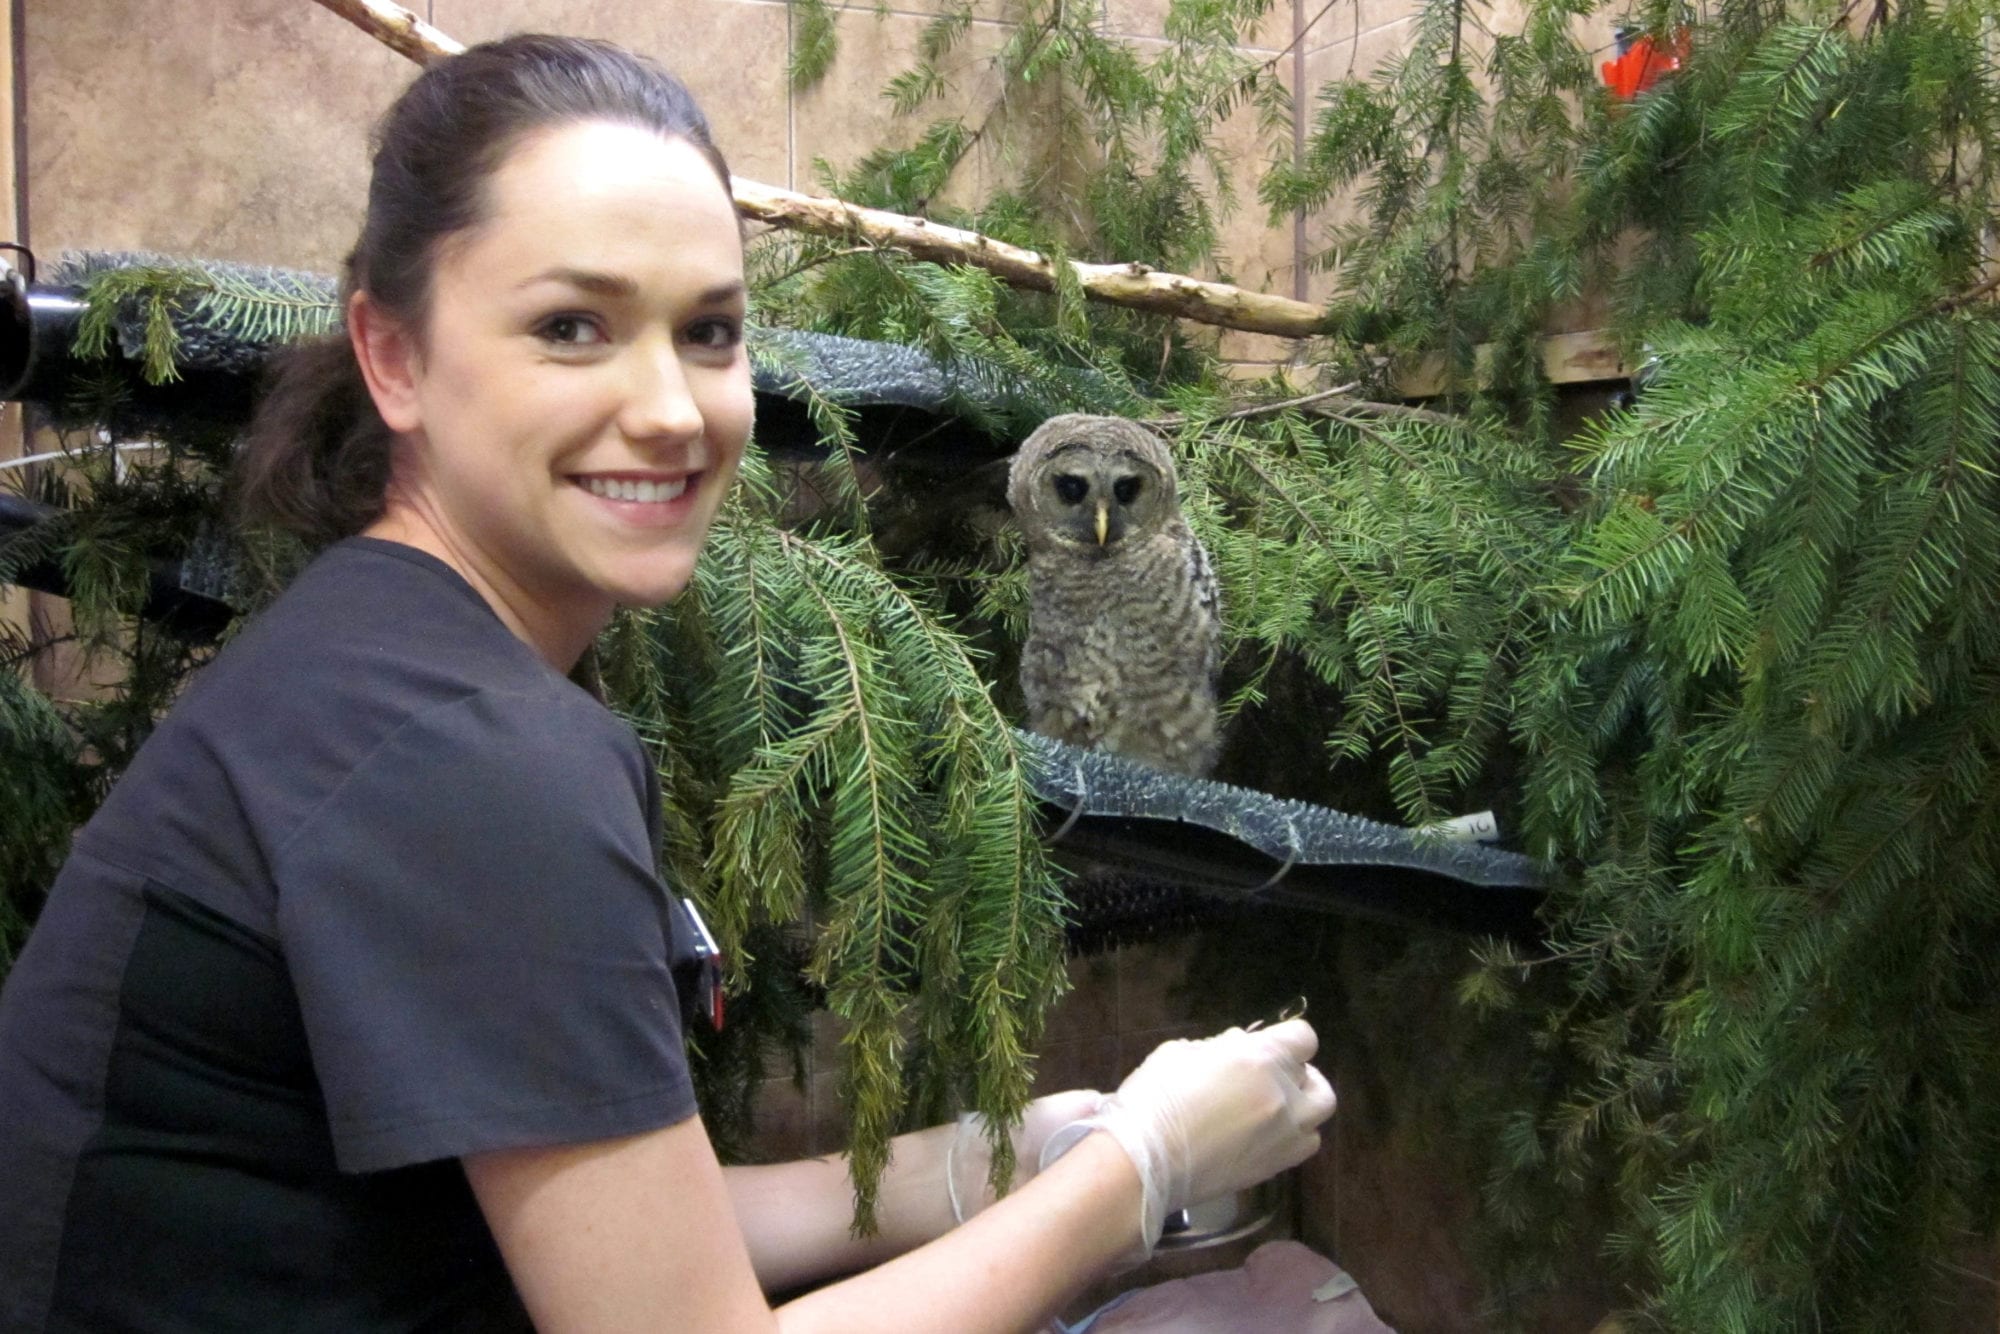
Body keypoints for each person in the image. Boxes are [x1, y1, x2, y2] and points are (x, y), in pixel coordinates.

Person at [0, 33, 1336, 1333]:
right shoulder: (461, 747)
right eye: (572, 325)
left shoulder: (387, 652)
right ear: (393, 354)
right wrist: (1141, 1169)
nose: (671, 408)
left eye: (708, 333)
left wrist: (985, 1162)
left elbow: (621, 1229)